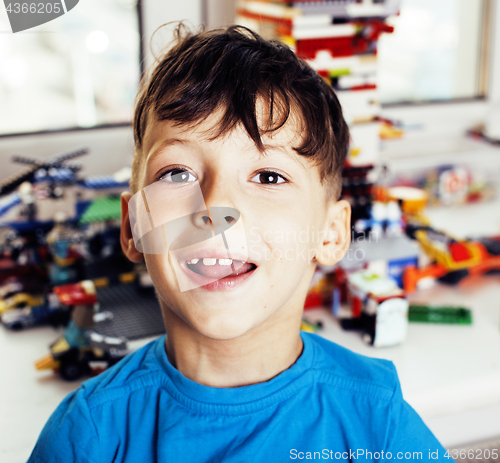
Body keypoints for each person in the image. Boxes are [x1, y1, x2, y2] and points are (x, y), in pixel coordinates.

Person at [28, 24, 449, 462]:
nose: (215, 207)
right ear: (133, 226)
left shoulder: (379, 426)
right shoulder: (85, 438)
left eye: (269, 176)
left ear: (331, 233)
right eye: (177, 174)